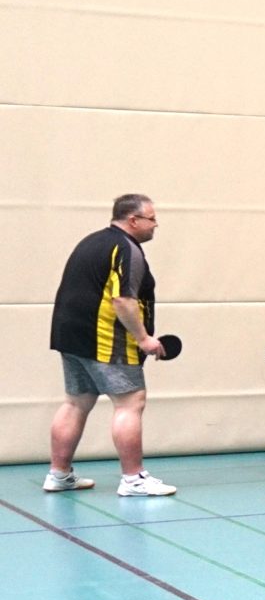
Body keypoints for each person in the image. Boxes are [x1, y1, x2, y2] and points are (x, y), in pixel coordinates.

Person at [45, 194, 176, 497]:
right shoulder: (126, 249)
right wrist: (143, 338)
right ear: (133, 220)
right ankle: (134, 479)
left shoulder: (91, 241)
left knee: (76, 402)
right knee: (131, 402)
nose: (155, 225)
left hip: (71, 335)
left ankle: (58, 474)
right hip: (106, 339)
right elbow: (123, 300)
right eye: (151, 219)